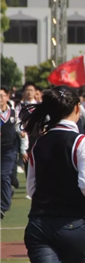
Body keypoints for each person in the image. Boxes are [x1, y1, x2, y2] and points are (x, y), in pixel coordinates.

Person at [22, 86, 85, 263]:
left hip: (39, 223)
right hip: (72, 223)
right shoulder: (82, 142)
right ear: (76, 108)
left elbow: (31, 189)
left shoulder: (39, 142)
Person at [1, 87, 23, 219]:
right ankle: (8, 191)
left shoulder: (14, 114)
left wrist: (22, 133)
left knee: (4, 175)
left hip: (9, 150)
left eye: (2, 96)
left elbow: (20, 128)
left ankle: (3, 206)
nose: (0, 99)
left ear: (7, 97)